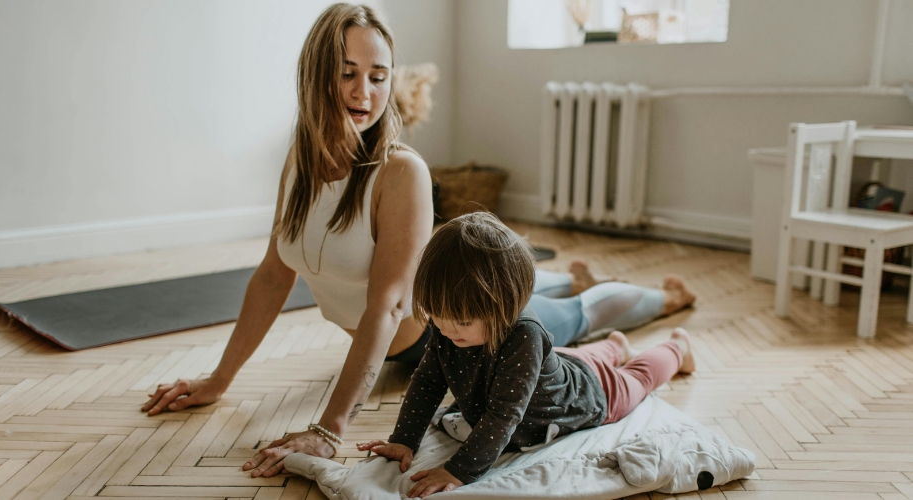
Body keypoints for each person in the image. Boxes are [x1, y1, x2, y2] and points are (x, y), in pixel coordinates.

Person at [140, 3, 694, 478]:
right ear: (314, 74)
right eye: (347, 72)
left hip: (462, 332)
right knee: (560, 308)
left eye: (378, 76)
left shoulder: (399, 171)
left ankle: (662, 302)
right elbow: (271, 275)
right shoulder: (300, 163)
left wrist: (329, 429)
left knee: (574, 315)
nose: (365, 92)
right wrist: (219, 379)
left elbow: (389, 304)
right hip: (435, 327)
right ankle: (578, 296)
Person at [357, 212, 695, 497]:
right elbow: (428, 382)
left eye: (460, 321)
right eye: (437, 317)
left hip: (588, 394)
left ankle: (677, 348)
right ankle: (615, 345)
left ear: (504, 306)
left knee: (637, 377)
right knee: (577, 359)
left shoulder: (524, 335)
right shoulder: (450, 327)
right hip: (560, 365)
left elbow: (504, 415)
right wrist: (404, 439)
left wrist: (458, 470)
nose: (445, 330)